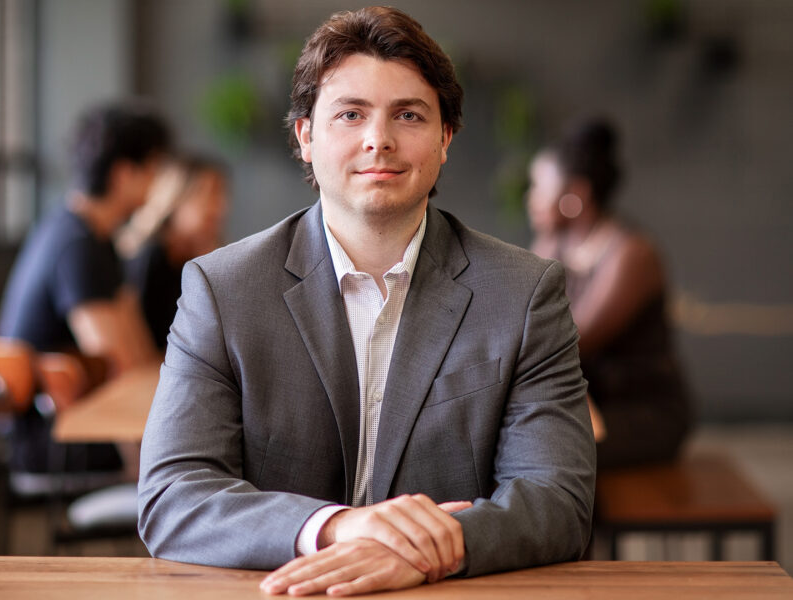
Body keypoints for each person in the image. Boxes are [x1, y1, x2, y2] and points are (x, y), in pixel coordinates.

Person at [138, 7, 595, 596]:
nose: (379, 139)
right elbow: (173, 495)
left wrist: (430, 552)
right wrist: (339, 529)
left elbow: (558, 499)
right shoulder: (223, 289)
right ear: (305, 137)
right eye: (350, 114)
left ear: (445, 139)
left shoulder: (524, 292)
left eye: (408, 115)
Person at [0, 100, 171, 473]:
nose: (157, 184)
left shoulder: (89, 235)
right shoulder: (78, 247)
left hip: (68, 420)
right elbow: (115, 366)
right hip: (54, 433)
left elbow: (135, 347)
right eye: (153, 169)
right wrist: (143, 474)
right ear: (125, 174)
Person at [527, 117, 691, 469]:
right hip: (588, 400)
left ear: (577, 194)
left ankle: (581, 526)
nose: (531, 199)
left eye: (539, 187)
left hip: (641, 412)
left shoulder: (630, 254)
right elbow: (525, 318)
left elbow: (570, 341)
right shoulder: (556, 241)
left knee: (548, 452)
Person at [122, 155, 229, 349]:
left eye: (220, 195)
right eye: (204, 194)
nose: (217, 207)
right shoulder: (149, 258)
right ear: (176, 197)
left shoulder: (210, 257)